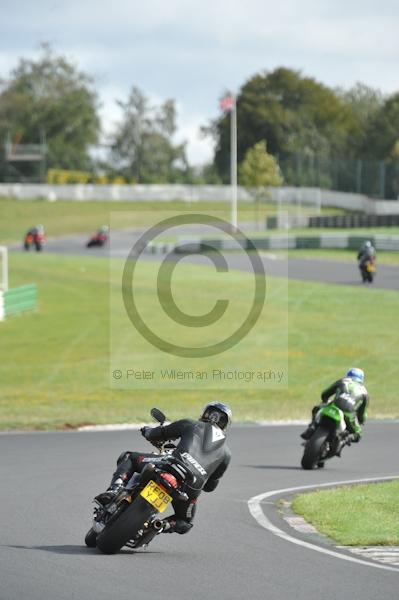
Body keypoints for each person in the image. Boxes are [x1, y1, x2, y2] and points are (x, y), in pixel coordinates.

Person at [96, 402, 232, 535]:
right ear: (226, 424)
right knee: (185, 522)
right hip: (191, 487)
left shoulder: (191, 424)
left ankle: (114, 491)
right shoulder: (226, 454)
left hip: (171, 464)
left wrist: (147, 431)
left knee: (129, 457)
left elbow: (160, 433)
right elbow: (210, 487)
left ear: (205, 414)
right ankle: (161, 525)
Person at [300, 368, 369, 447]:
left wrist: (325, 400)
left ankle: (312, 427)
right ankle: (344, 440)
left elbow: (325, 394)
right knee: (358, 434)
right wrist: (360, 421)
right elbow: (362, 414)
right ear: (361, 379)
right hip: (349, 415)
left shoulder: (343, 381)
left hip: (334, 407)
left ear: (348, 375)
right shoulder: (365, 392)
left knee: (317, 408)